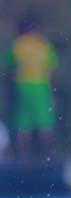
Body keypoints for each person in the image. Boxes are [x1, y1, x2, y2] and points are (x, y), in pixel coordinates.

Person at [5, 15, 58, 158]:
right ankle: (46, 157)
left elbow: (9, 71)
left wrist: (8, 93)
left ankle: (24, 158)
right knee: (45, 124)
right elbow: (51, 71)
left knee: (23, 125)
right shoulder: (44, 45)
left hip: (22, 88)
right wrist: (53, 94)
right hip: (41, 88)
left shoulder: (16, 45)